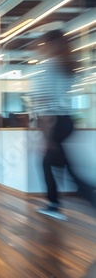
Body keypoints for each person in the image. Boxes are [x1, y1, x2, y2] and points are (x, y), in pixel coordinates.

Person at [29, 30, 96, 220]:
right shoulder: (65, 66)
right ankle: (55, 203)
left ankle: (55, 204)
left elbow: (46, 106)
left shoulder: (48, 67)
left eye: (42, 44)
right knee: (58, 165)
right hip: (66, 121)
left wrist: (46, 138)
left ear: (50, 45)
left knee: (52, 164)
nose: (39, 48)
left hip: (55, 123)